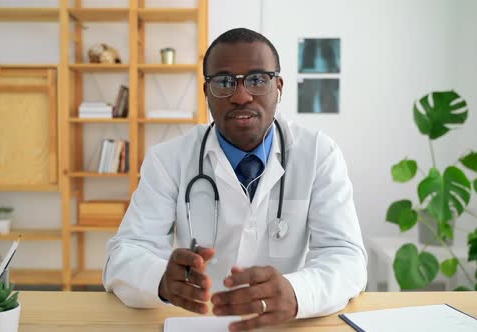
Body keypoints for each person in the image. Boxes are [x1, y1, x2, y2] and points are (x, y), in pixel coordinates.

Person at [103, 28, 367, 331]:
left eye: (257, 79)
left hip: (287, 323)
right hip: (199, 323)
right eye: (224, 82)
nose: (241, 96)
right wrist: (160, 279)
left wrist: (297, 293)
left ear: (278, 87)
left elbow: (347, 258)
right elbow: (122, 256)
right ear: (206, 92)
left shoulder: (319, 153)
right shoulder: (168, 159)